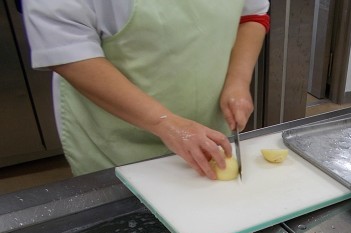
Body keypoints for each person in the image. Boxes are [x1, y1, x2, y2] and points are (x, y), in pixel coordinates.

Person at [22, 1, 271, 179]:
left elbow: (252, 15)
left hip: (208, 122)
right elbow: (68, 53)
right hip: (117, 137)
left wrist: (238, 80)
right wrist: (163, 122)